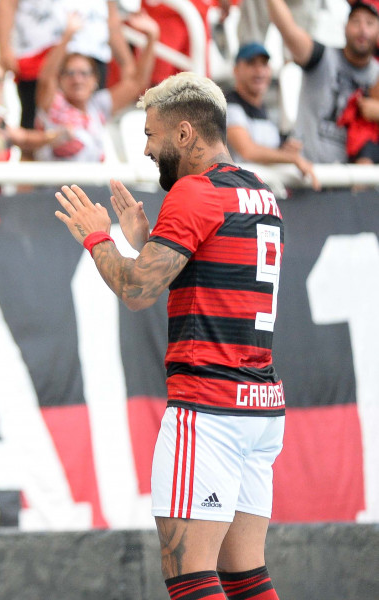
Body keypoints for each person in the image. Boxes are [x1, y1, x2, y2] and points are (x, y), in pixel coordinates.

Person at [55, 72, 284, 600]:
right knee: (246, 577)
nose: (146, 149)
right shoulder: (260, 192)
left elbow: (137, 290)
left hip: (208, 408)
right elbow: (215, 273)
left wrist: (98, 237)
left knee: (190, 577)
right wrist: (147, 243)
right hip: (259, 407)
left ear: (185, 133)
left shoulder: (194, 193)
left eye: (151, 134)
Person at [35, 11, 159, 162]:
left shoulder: (97, 106)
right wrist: (67, 36)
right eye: (70, 73)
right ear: (61, 80)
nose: (77, 79)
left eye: (84, 73)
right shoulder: (54, 104)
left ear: (94, 80)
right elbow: (46, 78)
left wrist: (151, 39)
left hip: (93, 176)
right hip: (55, 177)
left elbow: (136, 84)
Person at [267, 0, 379, 164]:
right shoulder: (322, 56)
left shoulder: (376, 74)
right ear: (344, 27)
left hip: (354, 176)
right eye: (356, 21)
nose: (363, 29)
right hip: (308, 169)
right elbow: (288, 30)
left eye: (369, 23)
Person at [0, 0, 132, 130]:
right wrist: (4, 47)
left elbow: (111, 15)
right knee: (36, 119)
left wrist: (127, 62)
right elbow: (7, 3)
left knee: (90, 120)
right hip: (39, 53)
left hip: (92, 53)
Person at [226, 42, 320, 188]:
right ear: (236, 70)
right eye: (251, 64)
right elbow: (247, 151)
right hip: (237, 192)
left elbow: (264, 151)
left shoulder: (267, 111)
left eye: (264, 64)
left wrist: (285, 149)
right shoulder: (228, 105)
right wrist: (291, 158)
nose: (259, 71)